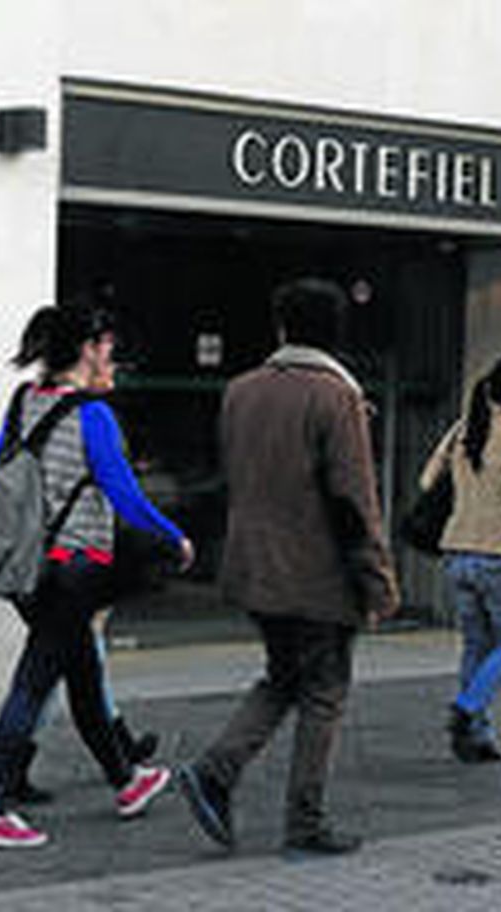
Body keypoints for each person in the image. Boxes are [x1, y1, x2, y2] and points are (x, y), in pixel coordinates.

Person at [177, 278, 398, 857]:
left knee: (282, 677)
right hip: (317, 573)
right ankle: (302, 819)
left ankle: (216, 772)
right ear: (336, 335)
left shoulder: (241, 390)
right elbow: (353, 498)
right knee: (324, 691)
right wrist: (377, 579)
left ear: (281, 328)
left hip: (253, 566)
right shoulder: (336, 397)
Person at [0, 303, 194, 850]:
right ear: (87, 349)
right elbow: (126, 498)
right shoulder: (93, 415)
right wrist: (175, 538)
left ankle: (127, 782)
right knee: (32, 685)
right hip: (75, 569)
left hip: (29, 569)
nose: (110, 353)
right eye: (106, 345)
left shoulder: (22, 401)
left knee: (85, 677)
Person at [420, 357, 501, 763]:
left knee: (476, 645)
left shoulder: (464, 429)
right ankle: (467, 708)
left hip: (457, 551)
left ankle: (477, 736)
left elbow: (426, 480)